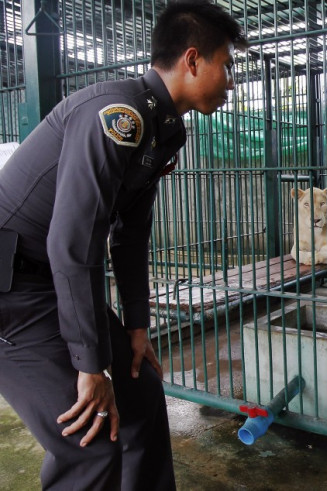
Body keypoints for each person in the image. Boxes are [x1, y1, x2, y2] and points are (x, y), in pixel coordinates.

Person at [0, 1, 246, 489]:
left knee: (141, 392)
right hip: (12, 292)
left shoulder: (160, 129)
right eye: (227, 63)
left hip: (50, 279)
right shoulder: (117, 116)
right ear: (193, 60)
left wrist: (136, 327)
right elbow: (73, 243)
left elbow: (129, 237)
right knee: (89, 437)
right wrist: (90, 364)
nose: (232, 80)